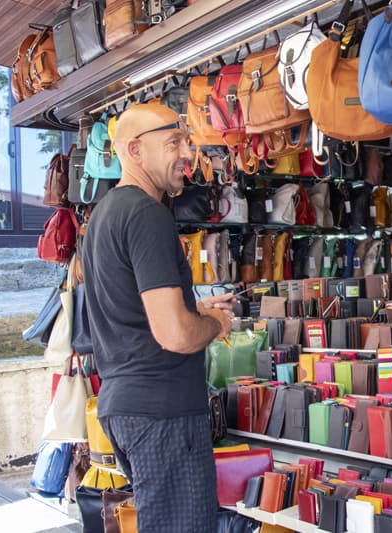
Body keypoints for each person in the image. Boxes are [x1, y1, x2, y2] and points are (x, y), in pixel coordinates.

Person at [81, 103, 234, 533]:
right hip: (161, 411)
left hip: (126, 405)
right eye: (173, 142)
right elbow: (175, 334)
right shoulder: (148, 215)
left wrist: (196, 310)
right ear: (135, 150)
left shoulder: (104, 216)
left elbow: (135, 314)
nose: (187, 152)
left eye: (186, 140)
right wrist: (216, 325)